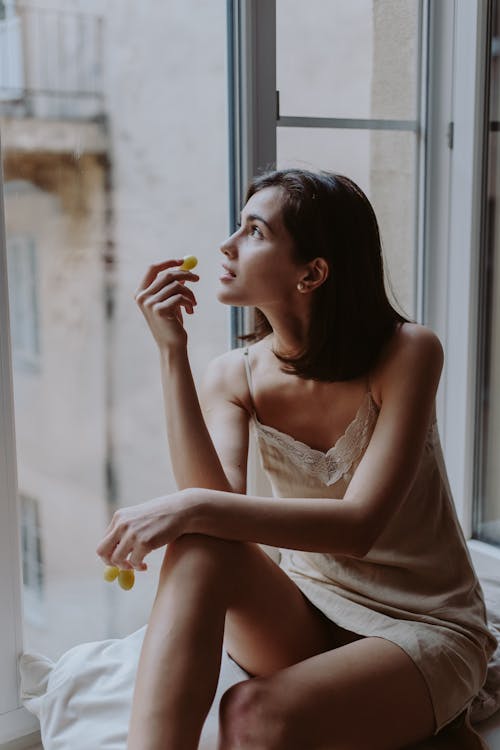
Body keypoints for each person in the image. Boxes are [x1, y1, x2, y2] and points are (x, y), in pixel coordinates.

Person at [96, 169, 496, 750]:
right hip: (306, 609)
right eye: (239, 225)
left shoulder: (408, 352)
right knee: (201, 542)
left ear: (313, 272)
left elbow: (360, 526)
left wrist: (184, 506)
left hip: (421, 620)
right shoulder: (235, 375)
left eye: (254, 231)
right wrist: (171, 354)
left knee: (253, 716)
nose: (226, 246)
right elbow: (220, 518)